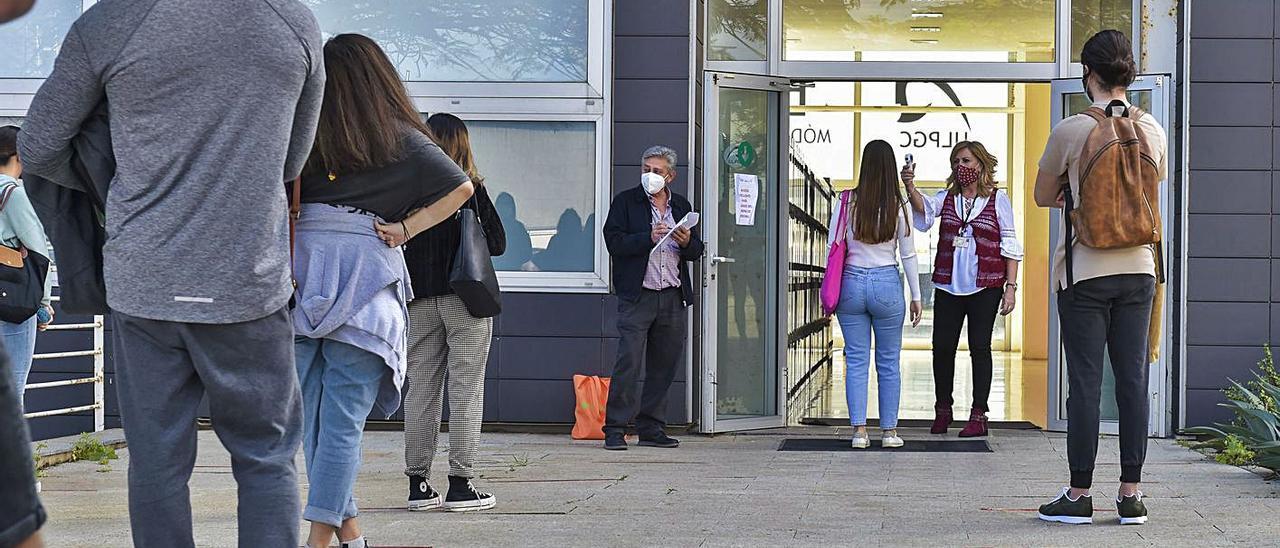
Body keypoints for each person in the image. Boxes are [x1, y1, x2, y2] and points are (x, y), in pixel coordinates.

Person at [16, 1, 325, 546]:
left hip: (146, 281)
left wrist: (118, 183)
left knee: (157, 461)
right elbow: (292, 163)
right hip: (248, 280)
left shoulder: (112, 21)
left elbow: (38, 147)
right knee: (267, 457)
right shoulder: (292, 21)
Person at [291, 35, 475, 548]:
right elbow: (461, 187)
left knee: (313, 421)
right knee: (343, 422)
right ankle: (335, 536)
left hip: (302, 273)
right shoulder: (398, 135)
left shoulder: (302, 129)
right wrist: (407, 229)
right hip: (366, 276)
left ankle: (330, 538)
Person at [1032, 30, 1167, 526]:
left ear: (1088, 73)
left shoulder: (1072, 129)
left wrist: (1075, 194)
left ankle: (1078, 495)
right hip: (1140, 271)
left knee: (1085, 384)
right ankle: (1131, 494)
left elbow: (1043, 195)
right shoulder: (1151, 127)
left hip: (1086, 271)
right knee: (1132, 380)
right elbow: (1152, 187)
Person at [402, 112, 505, 513]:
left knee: (422, 390)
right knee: (466, 390)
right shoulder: (471, 189)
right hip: (467, 302)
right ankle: (461, 484)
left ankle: (417, 485)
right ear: (463, 145)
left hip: (421, 302)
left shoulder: (409, 194)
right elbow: (497, 242)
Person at [903, 141, 1023, 438]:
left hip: (985, 285)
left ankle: (979, 415)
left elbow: (1010, 245)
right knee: (942, 348)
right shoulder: (948, 198)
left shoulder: (998, 200)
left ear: (980, 164)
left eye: (967, 161)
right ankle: (943, 409)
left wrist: (1011, 287)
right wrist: (910, 185)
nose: (961, 167)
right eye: (956, 161)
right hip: (948, 285)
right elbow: (925, 211)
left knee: (980, 347)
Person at [601, 145, 704, 450]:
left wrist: (687, 242)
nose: (650, 175)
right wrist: (648, 237)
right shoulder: (625, 202)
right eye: (646, 169)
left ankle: (651, 427)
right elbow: (614, 243)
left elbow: (697, 251)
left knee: (664, 365)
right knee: (628, 362)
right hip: (638, 296)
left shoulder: (681, 205)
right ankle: (615, 429)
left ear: (670, 175)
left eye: (657, 171)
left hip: (671, 295)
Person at [830, 140, 922, 449]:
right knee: (888, 361)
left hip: (851, 284)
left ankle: (859, 432)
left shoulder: (846, 201)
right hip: (886, 283)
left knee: (856, 360)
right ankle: (889, 433)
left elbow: (834, 246)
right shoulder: (900, 205)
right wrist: (916, 296)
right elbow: (908, 255)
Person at [0, 7, 45, 548]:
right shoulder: (13, 192)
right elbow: (36, 246)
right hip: (14, 304)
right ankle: (17, 487)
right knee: (13, 393)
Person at [0, 126, 54, 400]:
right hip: (11, 300)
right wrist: (43, 305)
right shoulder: (14, 195)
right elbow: (39, 254)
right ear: (18, 156)